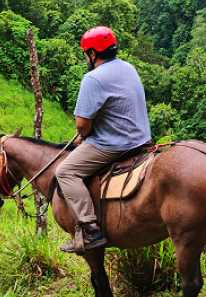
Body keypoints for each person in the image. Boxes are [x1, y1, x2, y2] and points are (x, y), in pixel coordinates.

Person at [55, 26, 152, 254]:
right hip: (140, 139)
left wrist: (85, 134)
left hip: (114, 145)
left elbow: (82, 126)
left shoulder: (93, 78)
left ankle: (90, 229)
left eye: (86, 54)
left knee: (65, 172)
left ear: (92, 53)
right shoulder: (128, 68)